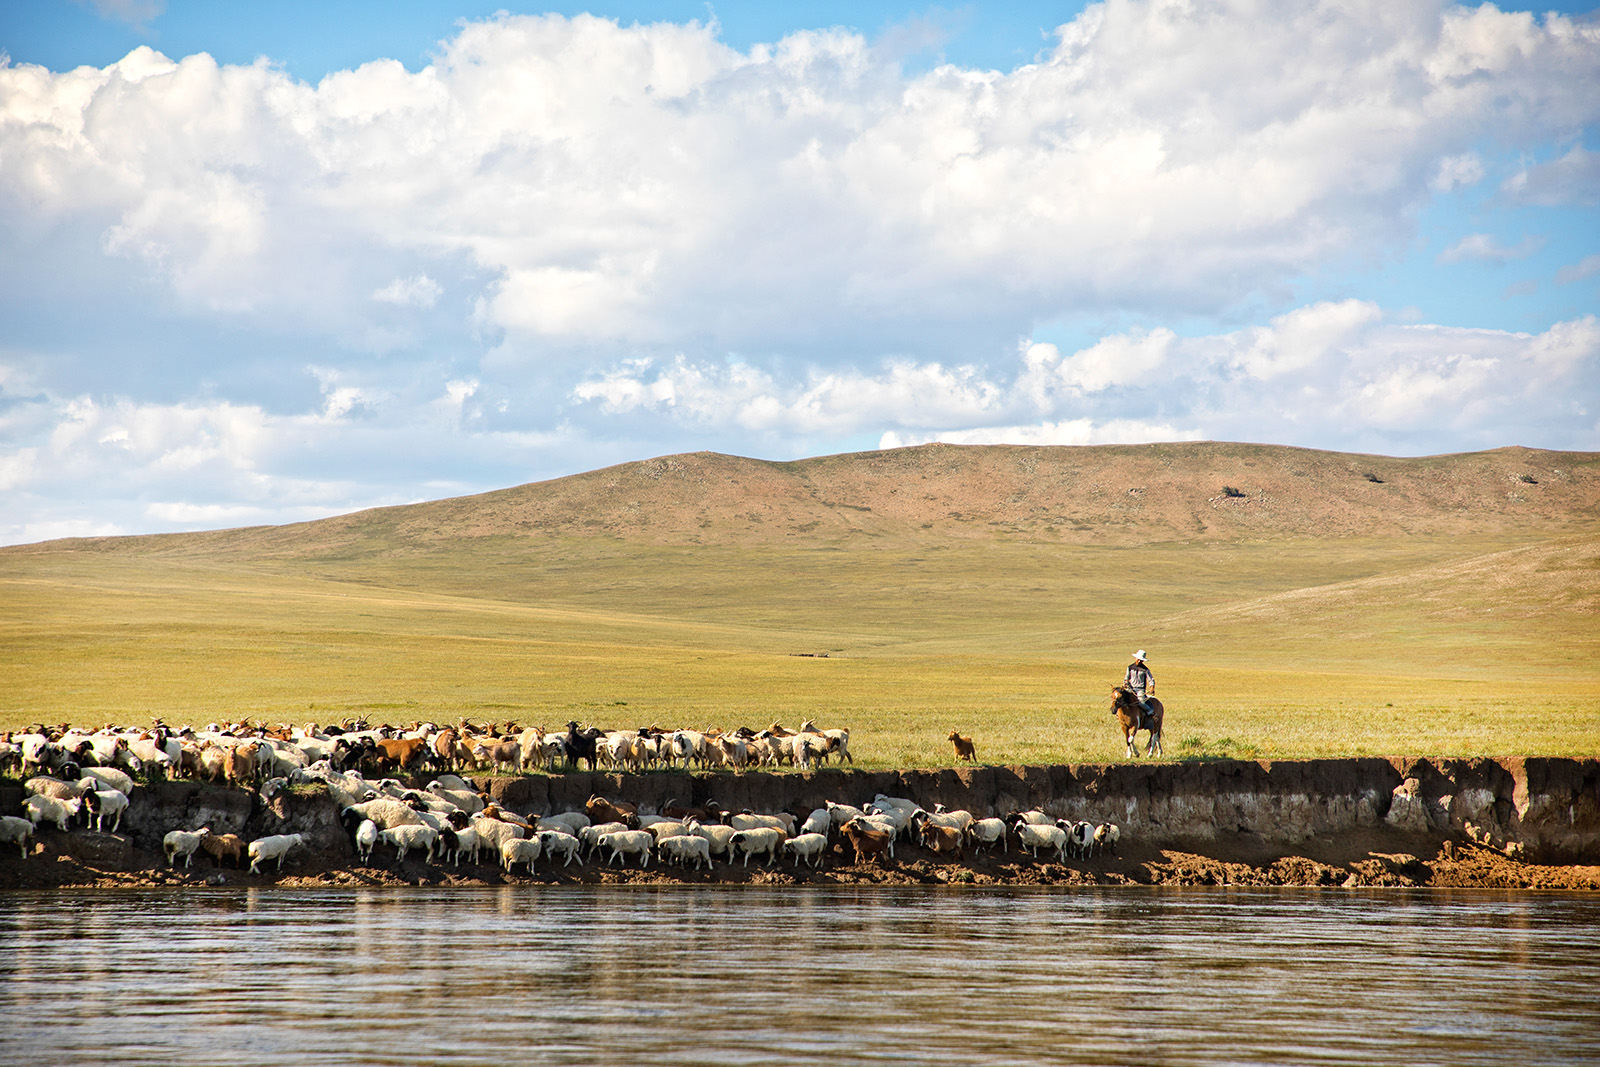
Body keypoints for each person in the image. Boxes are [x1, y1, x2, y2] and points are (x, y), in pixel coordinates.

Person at [1124, 650, 1155, 722]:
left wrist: (1152, 688)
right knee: (1122, 699)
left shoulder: (1145, 670)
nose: (1139, 661)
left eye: (1141, 660)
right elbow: (1126, 678)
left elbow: (1151, 679)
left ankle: (1150, 712)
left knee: (1141, 702)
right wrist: (1125, 683)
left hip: (1140, 689)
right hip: (1131, 688)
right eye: (1138, 659)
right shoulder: (1130, 667)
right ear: (1135, 658)